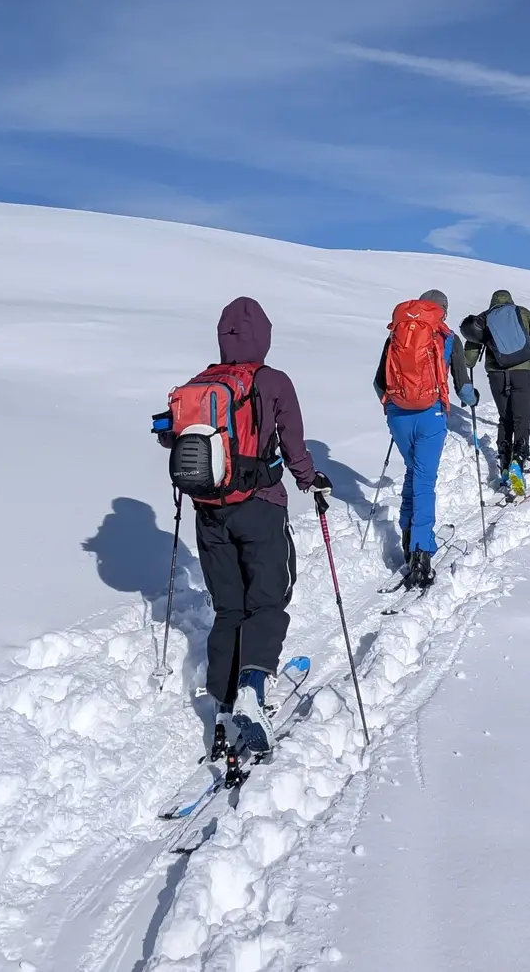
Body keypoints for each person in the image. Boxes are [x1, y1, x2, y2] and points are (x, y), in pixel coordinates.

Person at [167, 296, 329, 758]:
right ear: (264, 337)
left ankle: (222, 706)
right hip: (259, 504)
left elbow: (168, 434)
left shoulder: (199, 384)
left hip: (208, 509)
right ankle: (252, 691)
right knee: (268, 601)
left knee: (229, 608)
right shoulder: (273, 381)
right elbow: (293, 441)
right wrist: (309, 480)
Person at [373, 289, 472, 589]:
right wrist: (470, 397)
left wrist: (395, 406)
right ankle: (420, 553)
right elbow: (462, 386)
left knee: (413, 472)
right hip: (430, 415)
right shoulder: (447, 336)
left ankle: (407, 535)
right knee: (425, 480)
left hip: (398, 415)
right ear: (442, 310)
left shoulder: (397, 334)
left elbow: (379, 382)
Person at [461, 289, 530, 495]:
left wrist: (468, 366)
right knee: (521, 419)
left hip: (497, 375)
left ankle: (505, 465)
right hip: (522, 372)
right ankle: (519, 460)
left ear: (493, 303)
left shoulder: (484, 318)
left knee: (504, 418)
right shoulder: (521, 313)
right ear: (510, 301)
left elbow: (470, 357)